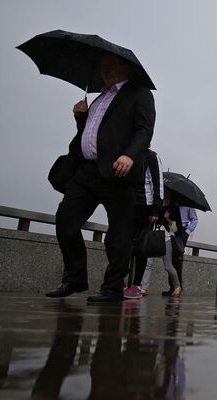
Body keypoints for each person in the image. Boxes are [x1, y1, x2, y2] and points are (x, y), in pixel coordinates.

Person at [46, 53, 156, 302]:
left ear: (124, 67)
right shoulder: (98, 99)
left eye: (109, 66)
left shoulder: (140, 94)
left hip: (119, 172)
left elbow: (144, 129)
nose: (103, 70)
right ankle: (74, 279)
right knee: (65, 221)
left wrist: (129, 155)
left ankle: (113, 287)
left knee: (119, 235)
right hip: (86, 171)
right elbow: (95, 133)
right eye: (101, 67)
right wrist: (80, 118)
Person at [124, 148, 163, 299]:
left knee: (141, 247)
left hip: (145, 206)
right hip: (127, 203)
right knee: (123, 244)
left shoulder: (152, 156)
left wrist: (155, 210)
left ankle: (136, 285)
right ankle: (119, 282)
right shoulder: (127, 154)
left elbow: (157, 183)